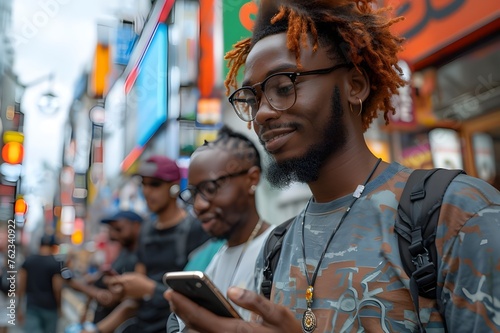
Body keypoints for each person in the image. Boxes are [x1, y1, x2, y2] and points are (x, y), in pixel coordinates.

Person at [165, 1, 500, 332]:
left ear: (355, 86)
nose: (262, 113)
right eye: (252, 99)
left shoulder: (456, 212)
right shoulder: (275, 248)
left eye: (283, 87)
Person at [166, 125, 274, 332]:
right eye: (194, 193)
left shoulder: (282, 249)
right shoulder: (216, 257)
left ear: (251, 179)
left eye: (210, 188)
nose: (199, 205)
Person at [101, 155, 211, 333]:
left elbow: (201, 296)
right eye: (143, 184)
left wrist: (150, 289)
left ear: (174, 187)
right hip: (144, 324)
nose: (147, 191)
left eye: (155, 184)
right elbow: (138, 288)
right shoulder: (146, 230)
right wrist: (124, 287)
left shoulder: (195, 229)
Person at [69, 210, 143, 327]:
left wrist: (79, 286)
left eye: (119, 229)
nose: (114, 234)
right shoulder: (124, 252)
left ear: (136, 226)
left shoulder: (139, 257)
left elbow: (111, 298)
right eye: (111, 229)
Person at [17, 234, 64, 333]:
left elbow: (21, 285)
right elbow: (57, 288)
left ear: (40, 245)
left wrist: (19, 306)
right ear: (52, 247)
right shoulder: (55, 263)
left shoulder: (29, 261)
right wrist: (59, 307)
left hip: (32, 306)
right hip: (50, 308)